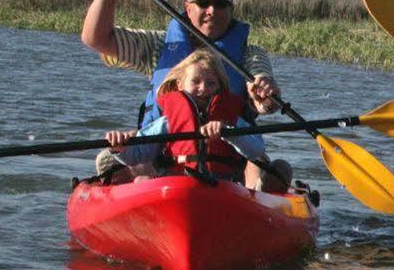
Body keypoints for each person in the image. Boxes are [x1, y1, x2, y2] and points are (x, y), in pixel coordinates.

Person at [83, 0, 288, 188]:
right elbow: (96, 39)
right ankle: (139, 188)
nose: (212, 11)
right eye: (204, 3)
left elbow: (265, 100)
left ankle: (258, 197)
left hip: (230, 160)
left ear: (231, 9)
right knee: (114, 159)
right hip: (164, 155)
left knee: (267, 167)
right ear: (188, 7)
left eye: (220, 4)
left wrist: (264, 94)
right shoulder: (158, 45)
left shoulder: (249, 54)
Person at [105, 52, 274, 192]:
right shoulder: (167, 122)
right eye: (195, 81)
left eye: (211, 83)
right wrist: (120, 147)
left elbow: (256, 149)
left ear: (219, 88)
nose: (203, 88)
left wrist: (228, 133)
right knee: (142, 180)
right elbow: (137, 155)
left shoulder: (232, 120)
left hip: (222, 188)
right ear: (179, 85)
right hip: (176, 188)